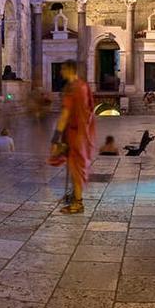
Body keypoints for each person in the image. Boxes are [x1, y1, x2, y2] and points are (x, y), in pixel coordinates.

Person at [55, 60, 96, 213]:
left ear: (70, 70)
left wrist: (56, 137)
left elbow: (65, 114)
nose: (60, 72)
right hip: (82, 132)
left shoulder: (72, 88)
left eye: (63, 69)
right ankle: (75, 198)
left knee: (75, 169)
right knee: (75, 168)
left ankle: (78, 203)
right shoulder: (84, 86)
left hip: (74, 133)